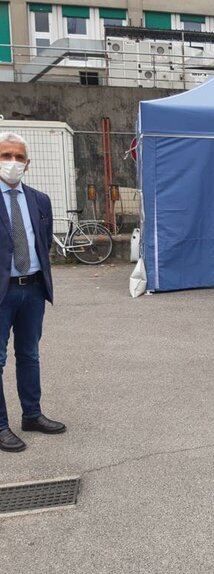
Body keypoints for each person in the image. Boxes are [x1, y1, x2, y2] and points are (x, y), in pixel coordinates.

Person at [0, 132, 66, 453]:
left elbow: (45, 241)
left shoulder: (40, 200)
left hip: (33, 290)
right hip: (2, 294)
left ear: (28, 163)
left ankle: (32, 414)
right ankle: (0, 425)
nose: (12, 162)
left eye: (18, 156)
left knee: (29, 355)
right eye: (5, 155)